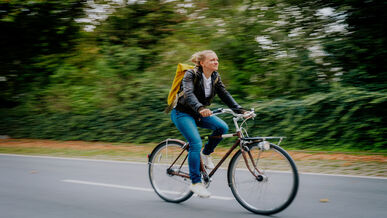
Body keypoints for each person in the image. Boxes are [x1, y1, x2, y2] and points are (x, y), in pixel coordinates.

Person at [170, 50, 246, 198]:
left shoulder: (215, 77)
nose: (216, 62)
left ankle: (206, 154)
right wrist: (200, 108)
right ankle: (195, 183)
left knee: (222, 127)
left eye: (217, 59)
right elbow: (188, 94)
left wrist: (241, 111)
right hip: (182, 113)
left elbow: (225, 95)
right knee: (196, 143)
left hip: (199, 112)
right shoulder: (190, 75)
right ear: (202, 63)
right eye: (212, 60)